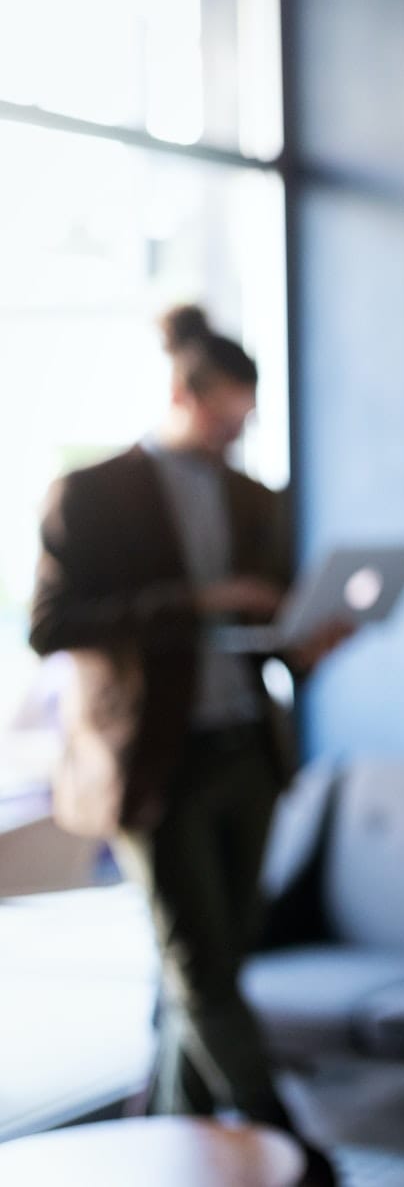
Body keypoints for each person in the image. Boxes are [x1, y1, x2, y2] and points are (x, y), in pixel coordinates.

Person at [30, 305, 344, 1183]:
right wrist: (191, 601)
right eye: (224, 415)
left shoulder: (252, 496)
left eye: (246, 420)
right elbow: (50, 625)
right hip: (151, 763)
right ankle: (302, 1152)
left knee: (208, 969)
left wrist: (305, 642)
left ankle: (172, 1145)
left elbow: (270, 629)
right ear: (183, 394)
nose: (234, 434)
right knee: (202, 971)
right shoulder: (93, 492)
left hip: (245, 749)